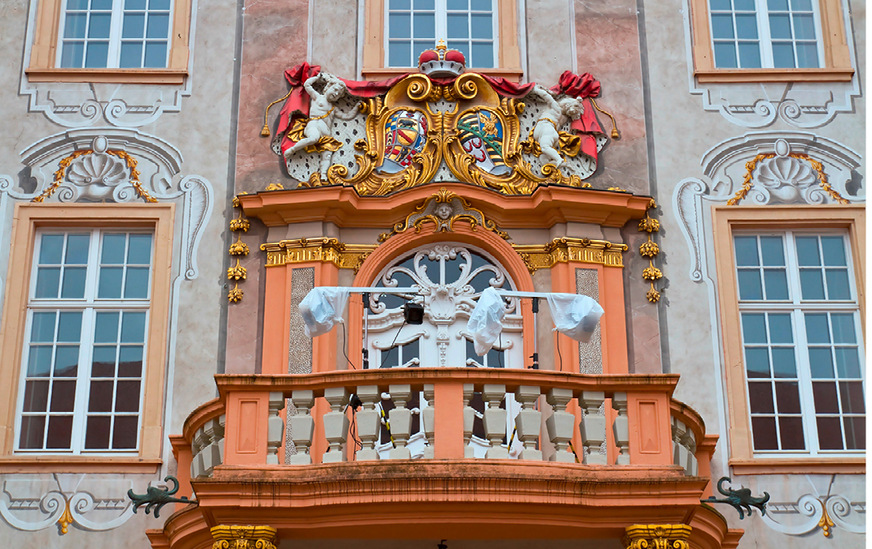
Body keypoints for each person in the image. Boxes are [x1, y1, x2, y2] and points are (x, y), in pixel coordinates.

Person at [284, 73, 359, 178]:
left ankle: (323, 174)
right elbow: (307, 85)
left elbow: (346, 116)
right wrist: (317, 78)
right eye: (335, 89)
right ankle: (293, 149)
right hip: (313, 126)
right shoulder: (318, 97)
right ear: (328, 87)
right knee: (313, 138)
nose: (336, 93)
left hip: (326, 135)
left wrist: (356, 107)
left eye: (338, 94)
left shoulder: (333, 109)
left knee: (327, 154)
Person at [529, 85, 584, 167]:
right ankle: (554, 165)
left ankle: (559, 160)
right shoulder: (564, 118)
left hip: (546, 129)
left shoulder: (555, 107)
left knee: (544, 148)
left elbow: (546, 96)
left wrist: (536, 89)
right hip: (552, 134)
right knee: (544, 159)